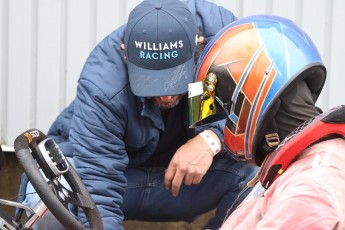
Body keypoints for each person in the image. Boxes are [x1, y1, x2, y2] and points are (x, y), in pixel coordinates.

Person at [17, 0, 259, 229]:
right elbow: (99, 189)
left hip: (186, 184)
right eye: (152, 82)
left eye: (174, 80)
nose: (165, 97)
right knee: (49, 197)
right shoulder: (103, 83)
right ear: (125, 54)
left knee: (258, 173)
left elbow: (259, 106)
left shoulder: (225, 43)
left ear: (198, 45)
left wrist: (211, 139)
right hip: (121, 182)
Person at [189, 14, 345, 229]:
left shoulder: (309, 190)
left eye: (226, 112)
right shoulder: (308, 164)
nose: (225, 127)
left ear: (251, 99)